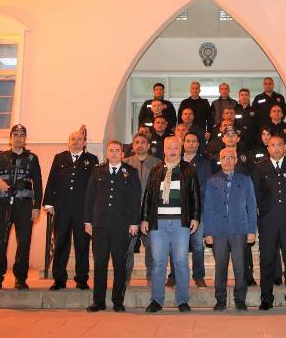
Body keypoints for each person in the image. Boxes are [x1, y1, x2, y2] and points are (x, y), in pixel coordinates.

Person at [141, 137, 201, 313]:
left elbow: (195, 195)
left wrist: (195, 218)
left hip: (180, 224)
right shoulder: (155, 170)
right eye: (169, 148)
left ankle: (182, 300)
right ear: (164, 150)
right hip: (158, 223)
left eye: (176, 148)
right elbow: (148, 196)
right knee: (158, 262)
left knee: (181, 261)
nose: (173, 151)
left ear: (180, 149)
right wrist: (145, 218)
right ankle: (156, 301)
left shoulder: (189, 170)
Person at [84, 140, 141, 312]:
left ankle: (117, 301)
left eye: (118, 150)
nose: (115, 153)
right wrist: (88, 221)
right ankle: (98, 301)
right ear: (107, 153)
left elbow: (135, 199)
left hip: (121, 225)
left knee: (119, 264)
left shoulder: (130, 172)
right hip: (100, 225)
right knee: (100, 263)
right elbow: (89, 197)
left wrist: (134, 222)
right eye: (111, 150)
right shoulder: (97, 171)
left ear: (122, 154)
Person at [0, 124, 42, 291]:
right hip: (3, 206)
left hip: (24, 206)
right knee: (0, 242)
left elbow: (38, 184)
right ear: (10, 138)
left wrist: (36, 206)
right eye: (15, 134)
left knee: (24, 243)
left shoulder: (32, 159)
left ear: (25, 139)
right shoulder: (0, 157)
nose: (18, 137)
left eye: (22, 135)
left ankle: (21, 279)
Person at [43, 128, 99, 290]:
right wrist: (48, 203)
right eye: (73, 139)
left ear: (84, 142)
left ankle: (81, 279)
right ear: (68, 142)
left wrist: (94, 207)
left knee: (82, 244)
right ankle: (59, 279)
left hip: (83, 210)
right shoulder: (59, 158)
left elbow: (95, 185)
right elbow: (52, 180)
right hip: (62, 209)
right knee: (61, 243)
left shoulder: (92, 159)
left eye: (79, 139)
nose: (76, 141)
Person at [254, 136, 286, 310]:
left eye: (279, 145)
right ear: (268, 148)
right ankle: (266, 298)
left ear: (285, 147)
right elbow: (256, 192)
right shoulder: (260, 167)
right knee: (267, 260)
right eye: (272, 145)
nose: (276, 148)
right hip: (268, 221)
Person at [204, 148, 258, 311]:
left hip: (239, 229)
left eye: (231, 157)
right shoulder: (212, 180)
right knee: (220, 266)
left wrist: (251, 230)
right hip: (218, 230)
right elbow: (208, 207)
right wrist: (208, 232)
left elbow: (251, 205)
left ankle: (240, 299)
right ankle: (220, 299)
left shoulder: (245, 179)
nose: (227, 160)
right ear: (220, 160)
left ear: (235, 160)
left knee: (239, 266)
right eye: (224, 158)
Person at [167, 132, 212, 288]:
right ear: (183, 144)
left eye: (195, 141)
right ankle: (173, 276)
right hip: (176, 209)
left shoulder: (205, 162)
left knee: (198, 245)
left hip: (197, 209)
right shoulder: (174, 161)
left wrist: (193, 201)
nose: (191, 143)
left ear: (199, 144)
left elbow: (205, 186)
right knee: (175, 245)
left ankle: (199, 276)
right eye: (188, 141)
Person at [123, 132, 161, 285]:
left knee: (152, 248)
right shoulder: (124, 163)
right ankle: (125, 279)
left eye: (143, 142)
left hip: (150, 213)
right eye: (137, 142)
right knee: (127, 248)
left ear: (149, 146)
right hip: (128, 213)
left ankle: (151, 278)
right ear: (133, 146)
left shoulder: (158, 163)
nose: (140, 145)